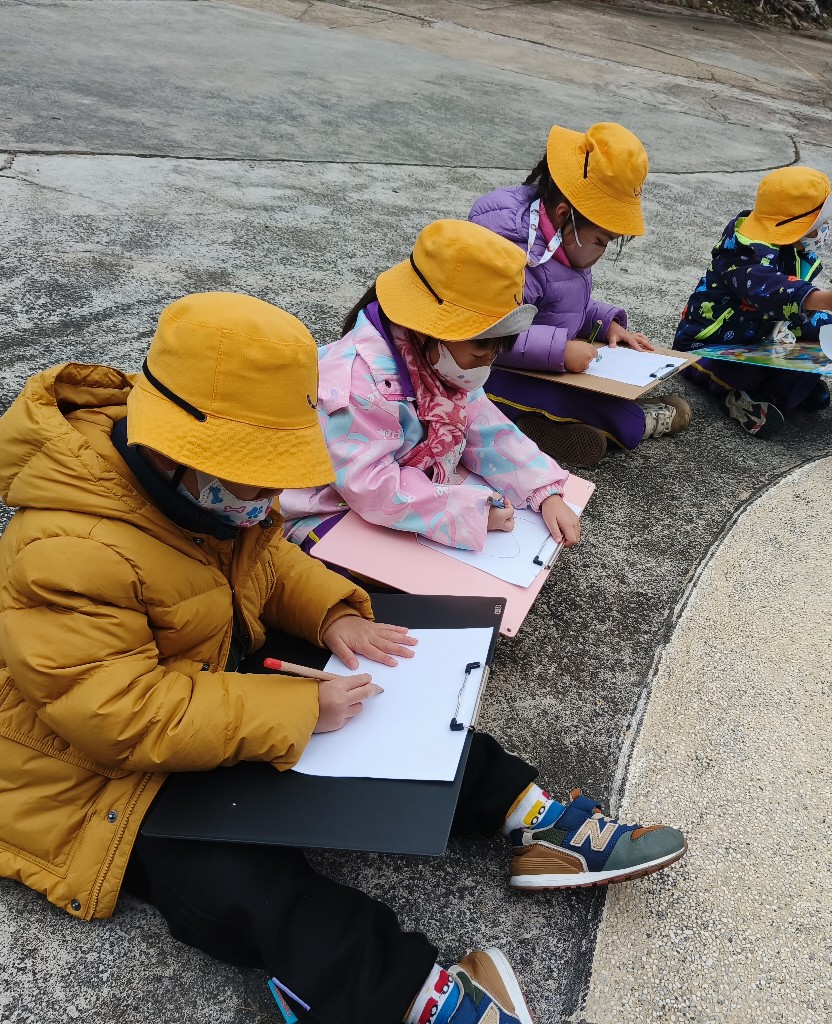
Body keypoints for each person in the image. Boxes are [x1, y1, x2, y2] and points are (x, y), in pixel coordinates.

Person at [0, 292, 687, 1024]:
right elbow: (117, 715)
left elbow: (267, 562)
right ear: (178, 452)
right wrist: (298, 709)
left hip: (204, 687)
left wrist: (332, 613)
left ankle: (532, 816)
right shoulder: (65, 549)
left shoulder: (205, 493)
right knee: (241, 884)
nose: (269, 498)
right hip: (93, 778)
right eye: (258, 479)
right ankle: (407, 998)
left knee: (387, 699)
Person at [280, 219, 582, 556]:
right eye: (480, 352)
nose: (487, 363)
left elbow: (486, 427)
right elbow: (370, 486)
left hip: (397, 495)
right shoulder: (357, 385)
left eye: (496, 352)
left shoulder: (440, 362)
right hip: (325, 508)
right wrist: (471, 511)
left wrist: (545, 491)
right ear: (429, 330)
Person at [467, 122, 691, 468]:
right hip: (487, 373)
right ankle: (638, 420)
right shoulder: (518, 253)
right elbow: (489, 330)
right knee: (597, 407)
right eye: (601, 240)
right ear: (563, 216)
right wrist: (560, 350)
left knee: (583, 395)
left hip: (537, 366)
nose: (603, 251)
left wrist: (605, 323)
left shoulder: (559, 242)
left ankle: (534, 429)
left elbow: (561, 305)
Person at [672, 165, 832, 438]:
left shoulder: (792, 253)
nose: (824, 231)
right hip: (709, 344)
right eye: (817, 226)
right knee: (738, 373)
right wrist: (822, 299)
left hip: (761, 344)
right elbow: (772, 292)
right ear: (795, 226)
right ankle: (752, 399)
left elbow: (797, 315)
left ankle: (771, 398)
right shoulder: (741, 254)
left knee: (815, 359)